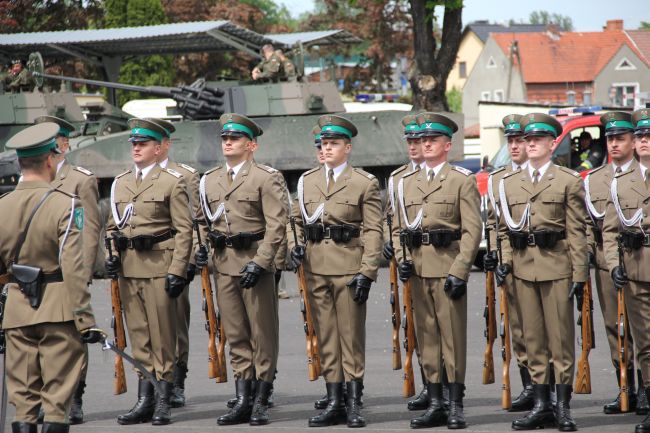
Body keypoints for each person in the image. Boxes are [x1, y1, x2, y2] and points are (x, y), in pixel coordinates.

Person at [0, 122, 100, 433]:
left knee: (23, 401)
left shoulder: (2, 206)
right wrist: (85, 319)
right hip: (58, 311)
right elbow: (73, 267)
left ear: (20, 162)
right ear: (49, 160)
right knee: (57, 403)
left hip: (17, 310)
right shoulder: (65, 205)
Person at [289, 114, 382, 428]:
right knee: (326, 336)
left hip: (348, 267)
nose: (325, 149)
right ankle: (334, 400)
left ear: (348, 147)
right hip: (316, 268)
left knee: (350, 337)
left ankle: (354, 403)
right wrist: (295, 245)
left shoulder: (363, 183)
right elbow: (296, 222)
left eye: (332, 143)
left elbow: (373, 231)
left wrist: (367, 272)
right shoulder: (307, 181)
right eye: (322, 143)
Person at [498, 113, 587, 431]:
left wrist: (580, 275)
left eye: (537, 139)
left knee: (560, 340)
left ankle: (563, 407)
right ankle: (541, 403)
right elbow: (504, 230)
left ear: (552, 143)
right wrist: (506, 261)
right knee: (533, 340)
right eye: (527, 139)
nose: (530, 144)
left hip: (557, 267)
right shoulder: (509, 183)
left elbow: (577, 231)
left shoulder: (567, 180)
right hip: (523, 270)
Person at [196, 113, 287, 426]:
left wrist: (261, 263)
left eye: (234, 138)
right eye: (224, 138)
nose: (227, 142)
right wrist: (204, 251)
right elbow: (203, 223)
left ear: (252, 145)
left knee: (262, 334)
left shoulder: (265, 177)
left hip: (254, 264)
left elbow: (277, 227)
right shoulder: (209, 179)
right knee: (235, 334)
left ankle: (262, 398)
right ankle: (244, 398)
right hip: (224, 264)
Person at [395, 112, 481, 430]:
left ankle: (455, 405)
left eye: (433, 140)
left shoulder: (460, 180)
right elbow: (402, 227)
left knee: (452, 339)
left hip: (447, 268)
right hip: (418, 269)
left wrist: (460, 270)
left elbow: (472, 231)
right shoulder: (407, 184)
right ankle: (435, 402)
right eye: (423, 140)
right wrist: (404, 259)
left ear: (447, 145)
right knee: (427, 338)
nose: (426, 144)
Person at [106, 118, 193, 426]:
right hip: (130, 269)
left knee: (163, 338)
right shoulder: (121, 182)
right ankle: (144, 399)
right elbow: (112, 226)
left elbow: (185, 231)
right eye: (134, 144)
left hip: (160, 267)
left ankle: (164, 399)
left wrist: (178, 270)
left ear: (158, 148)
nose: (136, 149)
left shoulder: (172, 181)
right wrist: (112, 255)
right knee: (140, 337)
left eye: (142, 144)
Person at [32, 115, 101, 425]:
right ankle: (48, 395)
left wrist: (82, 273)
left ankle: (75, 396)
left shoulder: (79, 180)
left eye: (52, 138)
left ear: (64, 143)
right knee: (38, 338)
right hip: (35, 273)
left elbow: (88, 230)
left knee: (73, 335)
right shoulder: (32, 178)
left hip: (67, 272)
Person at [586, 111, 643, 415]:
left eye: (620, 138)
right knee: (614, 326)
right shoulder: (595, 180)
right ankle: (626, 387)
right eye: (609, 139)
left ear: (634, 142)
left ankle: (645, 389)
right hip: (607, 263)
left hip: (638, 259)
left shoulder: (643, 173)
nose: (614, 144)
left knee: (641, 326)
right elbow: (587, 225)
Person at [145, 117, 201, 409]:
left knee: (176, 323)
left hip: (173, 261)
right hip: (144, 264)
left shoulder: (185, 176)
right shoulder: (136, 176)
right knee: (147, 326)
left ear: (165, 144)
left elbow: (193, 223)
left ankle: (177, 381)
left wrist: (187, 263)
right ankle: (152, 382)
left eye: (152, 141)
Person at [602, 108, 650, 433]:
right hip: (635, 271)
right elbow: (609, 230)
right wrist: (613, 264)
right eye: (643, 136)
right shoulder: (621, 182)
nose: (646, 142)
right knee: (645, 343)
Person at [382, 114, 433, 411]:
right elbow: (390, 217)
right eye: (410, 142)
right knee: (413, 324)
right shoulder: (397, 177)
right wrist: (390, 243)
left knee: (435, 325)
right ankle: (427, 383)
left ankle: (442, 386)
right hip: (406, 259)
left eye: (418, 141)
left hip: (431, 257)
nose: (414, 147)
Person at [483, 114, 534, 412]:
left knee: (544, 328)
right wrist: (495, 255)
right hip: (510, 262)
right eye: (510, 141)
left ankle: (548, 387)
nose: (514, 146)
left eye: (518, 141)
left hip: (541, 260)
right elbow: (493, 224)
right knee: (518, 328)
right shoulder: (497, 179)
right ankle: (529, 386)